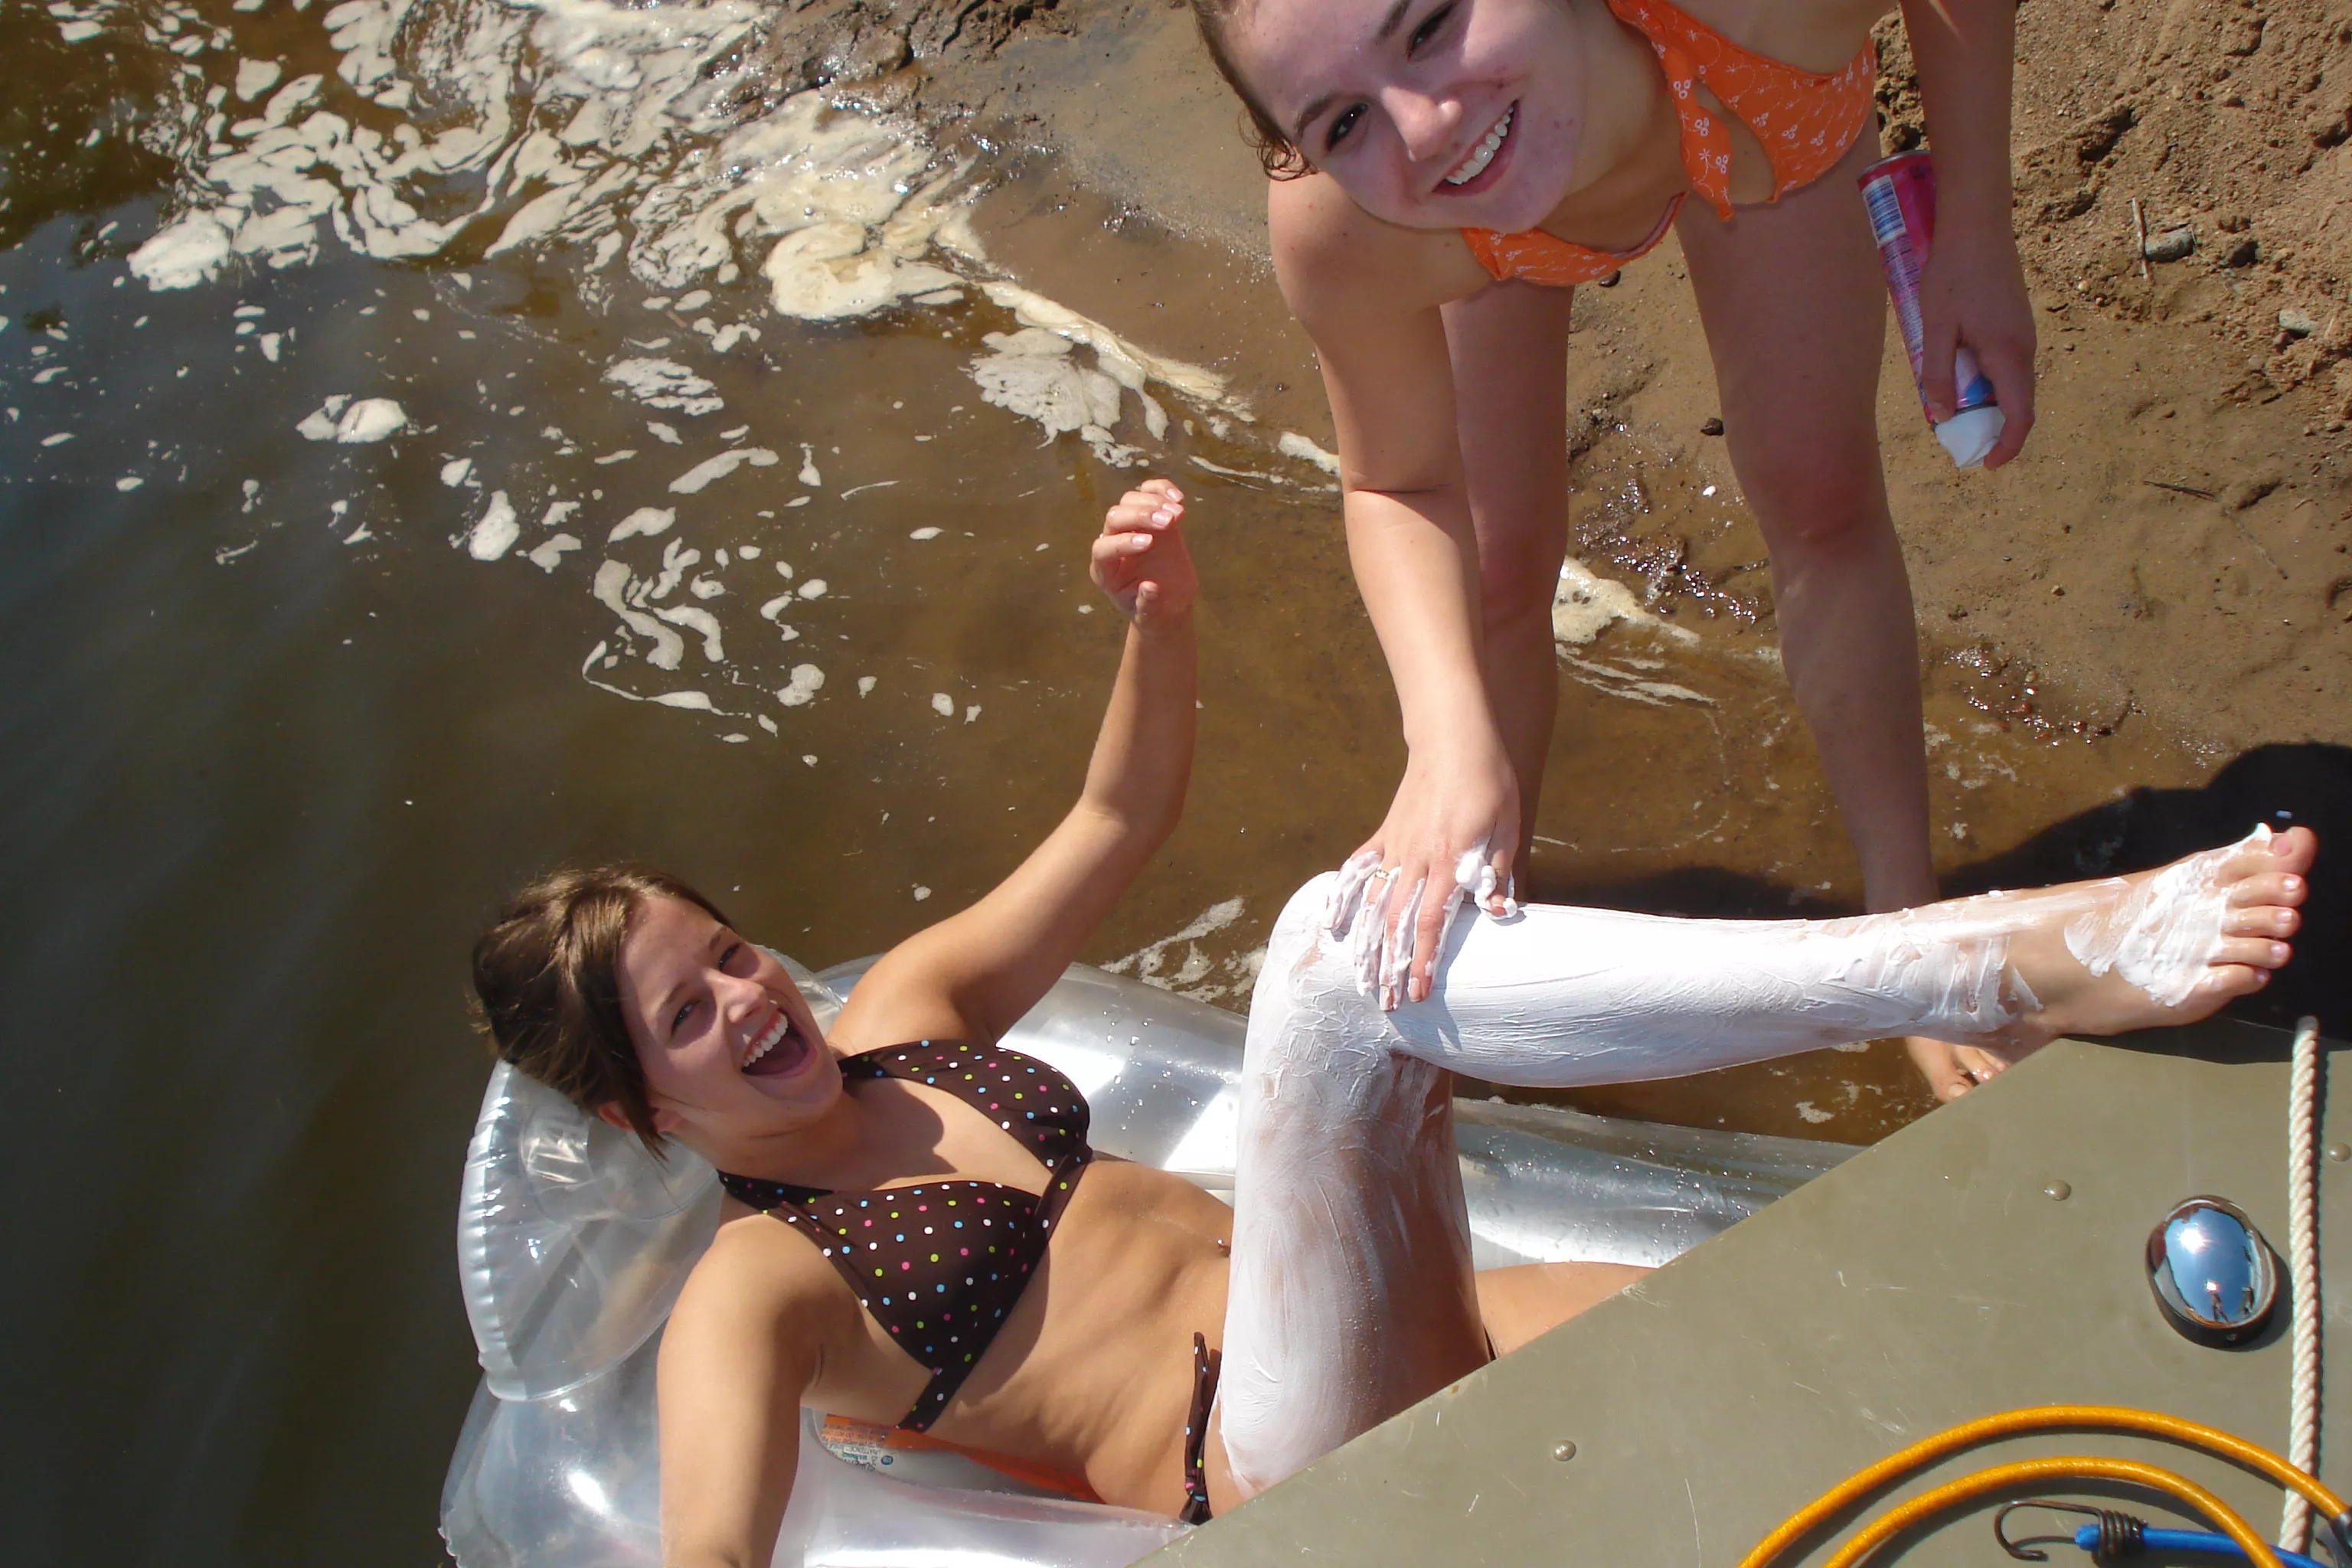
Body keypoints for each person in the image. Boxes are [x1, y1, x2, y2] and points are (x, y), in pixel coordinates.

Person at [470, 481, 2313, 1563]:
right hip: (1269, 1458)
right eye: (689, 1018)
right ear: (644, 1110)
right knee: (1347, 960)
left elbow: (1113, 827)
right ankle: (1988, 958)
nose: (744, 997)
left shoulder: (913, 1013)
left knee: (1799, 1386)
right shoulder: (755, 1290)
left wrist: (1159, 623)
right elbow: (709, 1551)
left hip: (1411, 1308)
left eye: (726, 953)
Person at [1181, 0, 2035, 1100]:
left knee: (1819, 498)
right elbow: (1396, 481)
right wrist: (1443, 737)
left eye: (1432, 23)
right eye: (1343, 121)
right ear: (1293, 152)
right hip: (1485, 231)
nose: (1423, 123)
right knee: (1491, 573)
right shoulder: (1355, 223)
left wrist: (1974, 229)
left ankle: (1911, 947)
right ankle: (1483, 953)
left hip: (1746, 87)